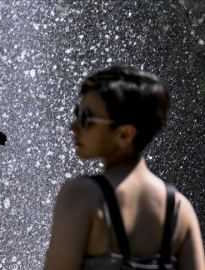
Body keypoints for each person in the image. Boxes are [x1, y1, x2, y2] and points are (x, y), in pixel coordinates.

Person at [44, 66, 205, 270]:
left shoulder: (82, 196)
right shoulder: (180, 211)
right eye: (77, 112)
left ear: (125, 135)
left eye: (86, 117)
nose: (73, 126)